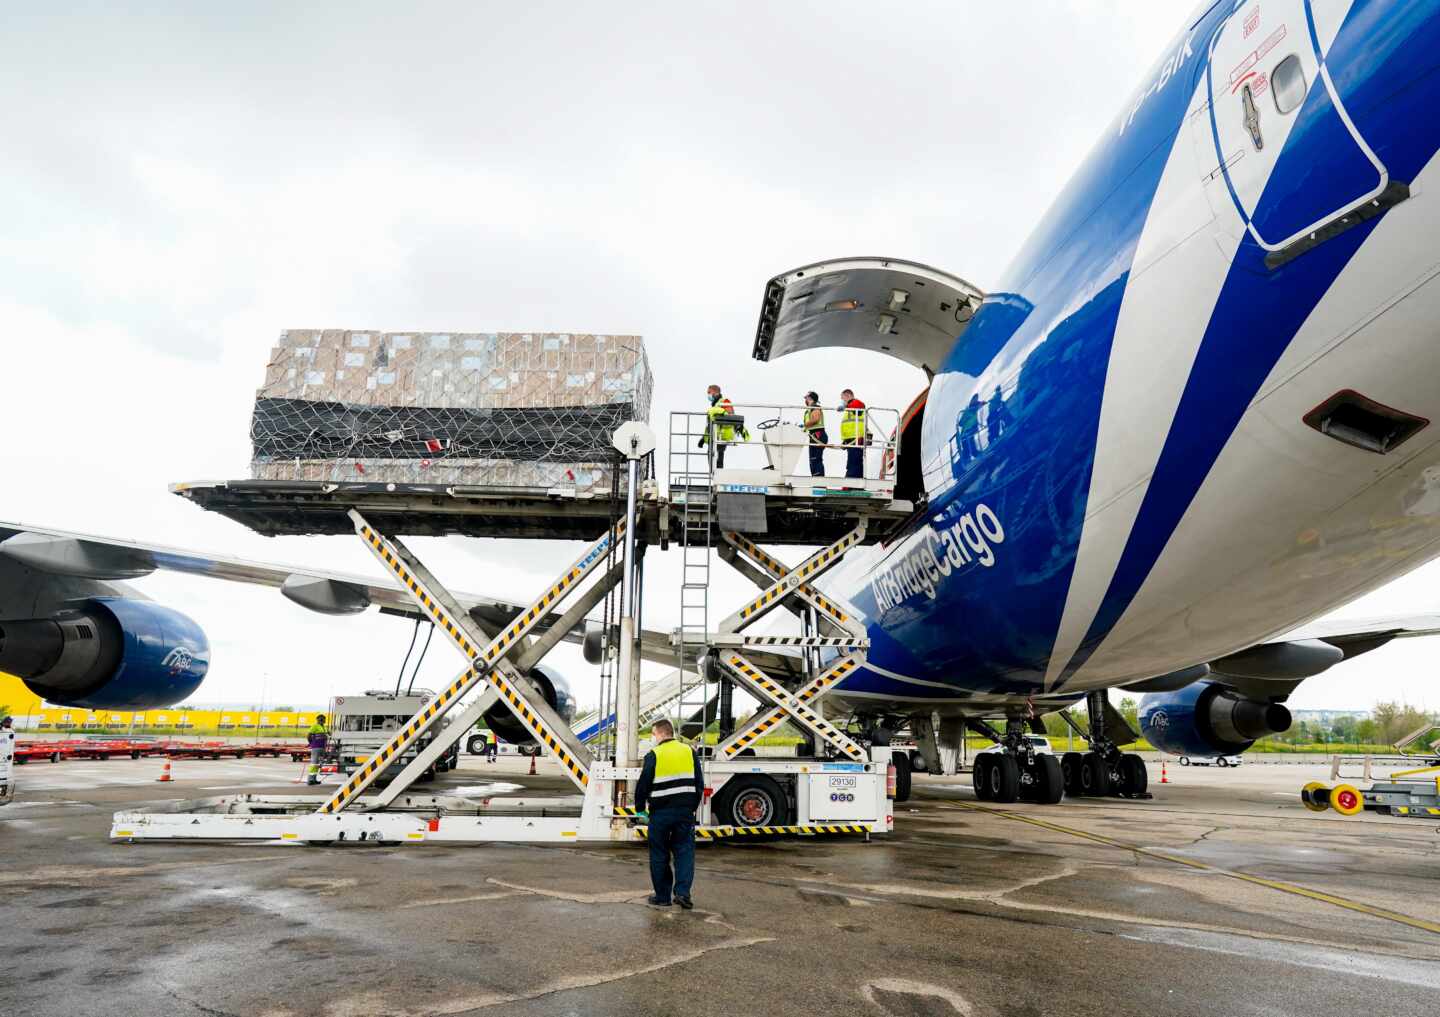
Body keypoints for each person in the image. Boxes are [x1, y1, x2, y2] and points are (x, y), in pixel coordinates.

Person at [633, 718, 704, 909]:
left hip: (660, 813)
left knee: (659, 854)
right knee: (684, 852)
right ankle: (682, 893)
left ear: (660, 733)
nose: (653, 738)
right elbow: (699, 783)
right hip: (684, 813)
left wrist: (640, 808)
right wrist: (692, 806)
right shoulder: (689, 751)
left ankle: (662, 897)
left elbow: (643, 783)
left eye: (654, 734)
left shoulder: (654, 754)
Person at [697, 384, 747, 468]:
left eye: (709, 392)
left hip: (722, 435)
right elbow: (709, 425)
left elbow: (730, 415)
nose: (708, 395)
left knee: (718, 458)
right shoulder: (714, 405)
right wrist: (704, 438)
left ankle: (718, 475)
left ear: (715, 392)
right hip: (715, 435)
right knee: (711, 457)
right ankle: (716, 476)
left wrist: (719, 411)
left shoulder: (724, 401)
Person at [839, 388, 869, 479]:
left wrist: (846, 406)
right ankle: (851, 483)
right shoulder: (850, 407)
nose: (842, 400)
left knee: (854, 461)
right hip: (851, 439)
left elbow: (859, 406)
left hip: (856, 438)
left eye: (842, 398)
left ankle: (851, 483)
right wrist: (845, 441)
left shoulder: (856, 403)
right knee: (852, 462)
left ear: (848, 396)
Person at [802, 391, 828, 477]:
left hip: (818, 434)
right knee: (813, 460)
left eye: (806, 398)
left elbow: (816, 419)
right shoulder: (809, 410)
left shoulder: (815, 407)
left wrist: (804, 425)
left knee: (816, 459)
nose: (805, 400)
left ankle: (819, 482)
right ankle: (816, 480)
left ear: (810, 398)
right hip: (814, 435)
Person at [306, 713, 329, 786]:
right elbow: (308, 735)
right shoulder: (315, 726)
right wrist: (311, 743)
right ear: (317, 720)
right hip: (316, 747)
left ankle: (314, 779)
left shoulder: (324, 727)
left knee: (317, 764)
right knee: (314, 763)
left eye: (323, 719)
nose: (322, 720)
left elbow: (326, 734)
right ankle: (310, 780)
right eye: (320, 719)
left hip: (322, 747)